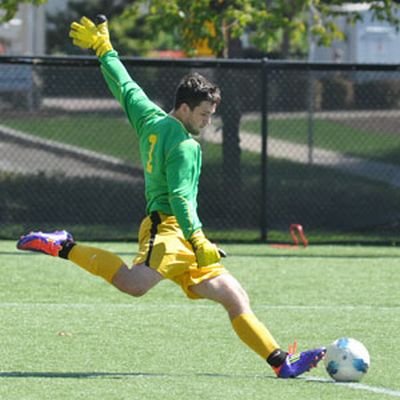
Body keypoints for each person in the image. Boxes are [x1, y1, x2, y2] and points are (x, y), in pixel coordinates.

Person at [17, 15, 325, 378]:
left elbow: (126, 87)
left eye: (212, 113)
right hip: (168, 230)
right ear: (184, 108)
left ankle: (280, 364)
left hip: (184, 234)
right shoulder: (183, 145)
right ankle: (64, 245)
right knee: (133, 285)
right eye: (204, 113)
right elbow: (180, 198)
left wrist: (104, 49)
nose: (209, 120)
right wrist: (198, 238)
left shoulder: (152, 119)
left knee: (233, 296)